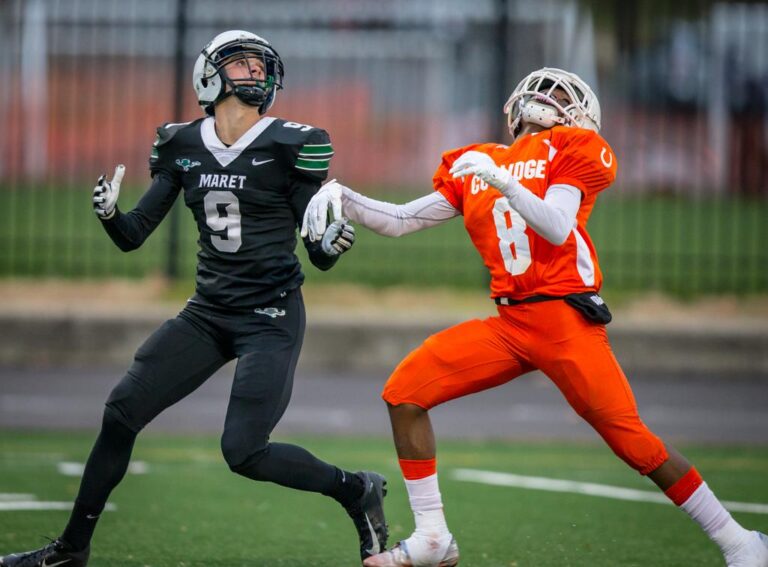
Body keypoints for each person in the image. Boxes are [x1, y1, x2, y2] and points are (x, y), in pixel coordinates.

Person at [301, 67, 768, 567]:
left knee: (633, 441)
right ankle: (434, 538)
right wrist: (344, 197)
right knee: (405, 391)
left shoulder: (571, 149)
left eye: (564, 93)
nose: (549, 96)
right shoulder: (478, 160)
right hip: (510, 324)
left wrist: (507, 185)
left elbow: (556, 226)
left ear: (581, 115)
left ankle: (740, 542)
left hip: (565, 321)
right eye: (546, 88)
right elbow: (400, 221)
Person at [0, 30, 388, 567]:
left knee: (244, 452)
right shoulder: (180, 143)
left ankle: (355, 489)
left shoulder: (292, 144)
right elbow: (134, 235)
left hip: (269, 314)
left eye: (261, 66)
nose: (255, 74)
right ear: (209, 75)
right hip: (208, 312)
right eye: (242, 65)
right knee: (120, 412)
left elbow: (317, 253)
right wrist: (110, 215)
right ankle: (71, 549)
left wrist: (329, 245)